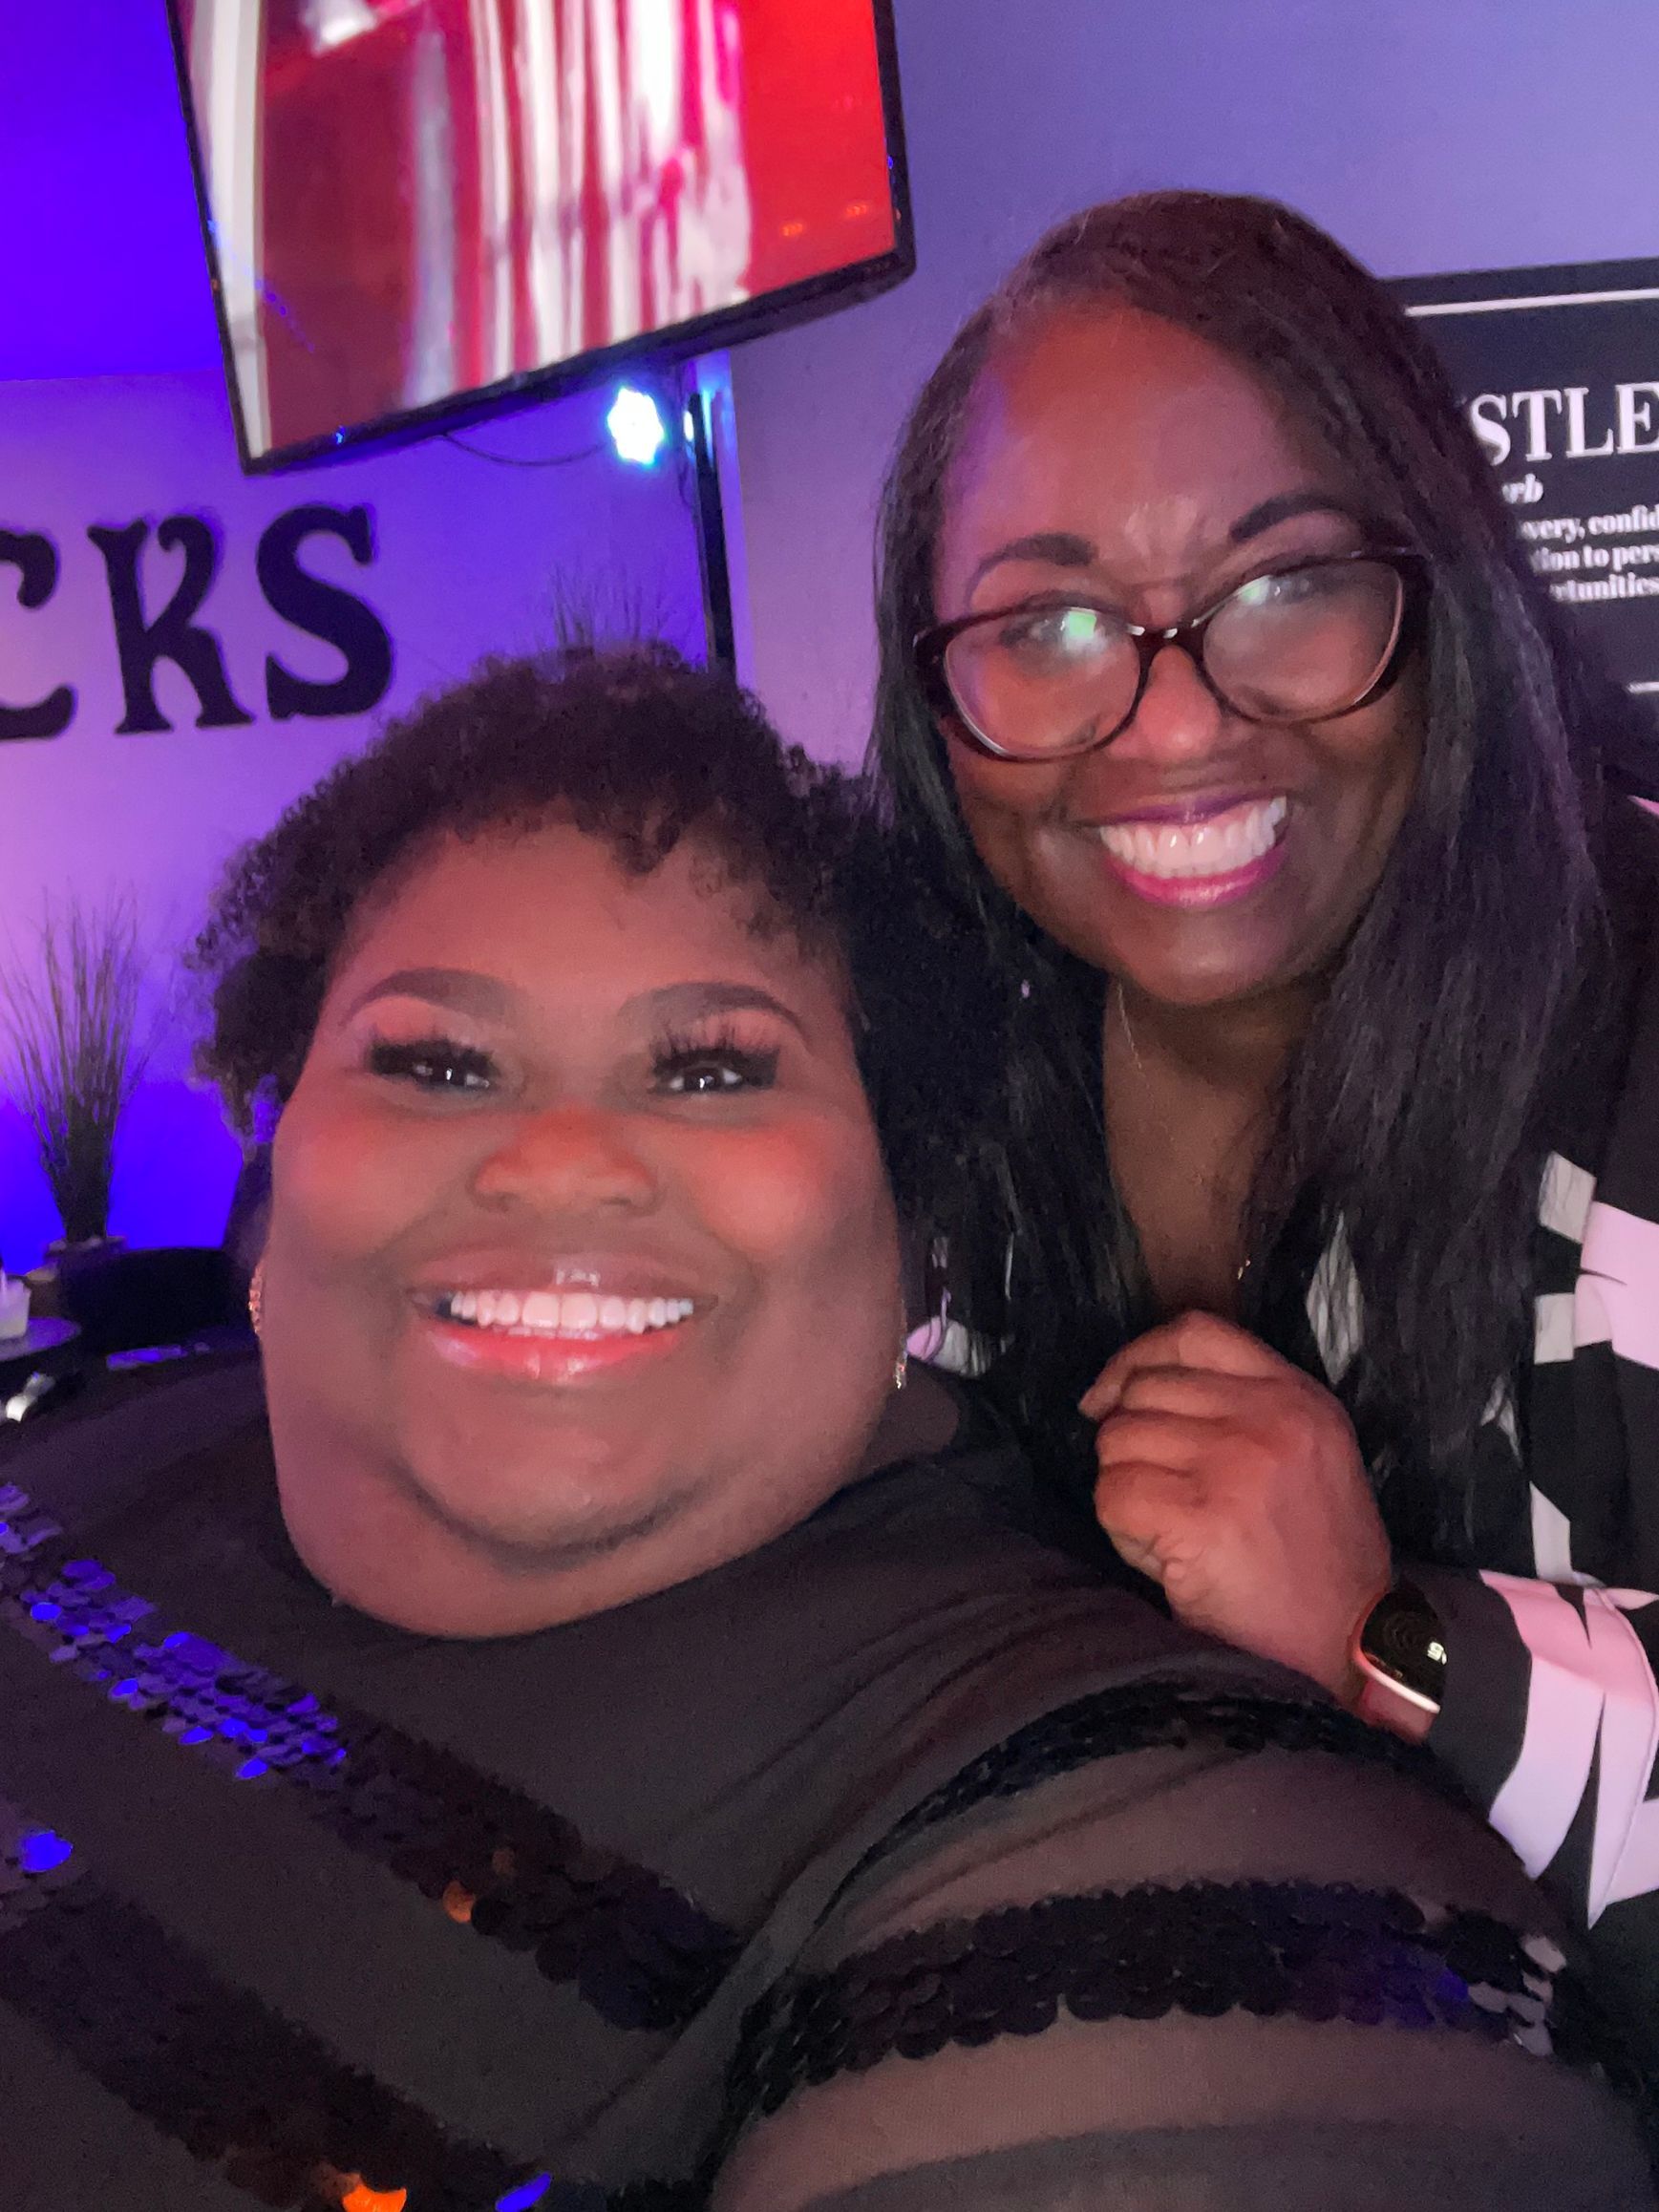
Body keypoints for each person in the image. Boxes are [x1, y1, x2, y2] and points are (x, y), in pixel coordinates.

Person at [0, 644, 1648, 2210]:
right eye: (436, 1061)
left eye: (712, 1069)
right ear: (273, 1168)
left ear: (906, 1238)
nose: (560, 1158)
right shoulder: (71, 1444)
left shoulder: (1097, 1800)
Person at [870, 187, 1659, 2054]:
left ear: (1438, 585)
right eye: (1045, 622)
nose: (1165, 727)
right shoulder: (913, 1088)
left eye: (1288, 584)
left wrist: (1387, 1645)